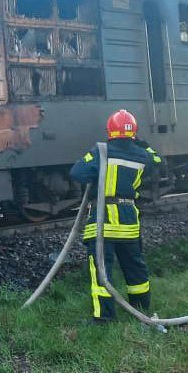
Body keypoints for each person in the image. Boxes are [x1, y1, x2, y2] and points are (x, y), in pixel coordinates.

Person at [69, 109, 163, 323]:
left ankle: (104, 318)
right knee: (135, 267)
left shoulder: (101, 151)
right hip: (128, 219)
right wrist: (144, 144)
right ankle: (140, 311)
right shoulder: (142, 155)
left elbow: (76, 172)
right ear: (133, 132)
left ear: (110, 130)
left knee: (101, 271)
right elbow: (158, 160)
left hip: (103, 220)